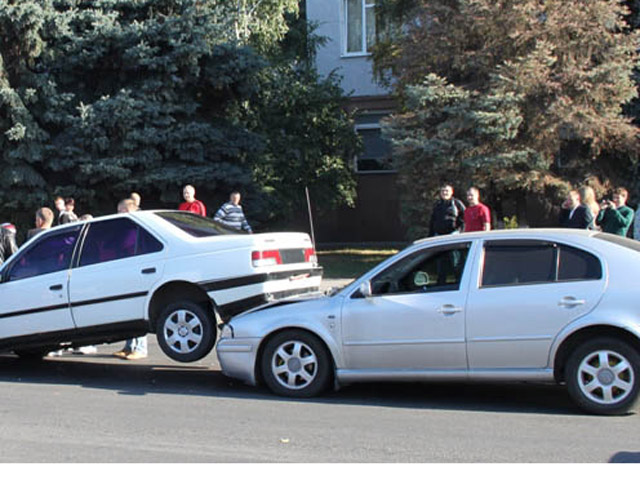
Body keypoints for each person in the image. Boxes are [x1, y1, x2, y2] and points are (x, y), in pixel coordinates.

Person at [112, 198, 148, 360]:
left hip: (137, 273)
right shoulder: (127, 229)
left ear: (127, 211)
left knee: (136, 311)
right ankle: (129, 346)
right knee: (126, 311)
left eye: (119, 211)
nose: (117, 214)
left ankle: (140, 347)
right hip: (126, 273)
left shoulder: (138, 228)